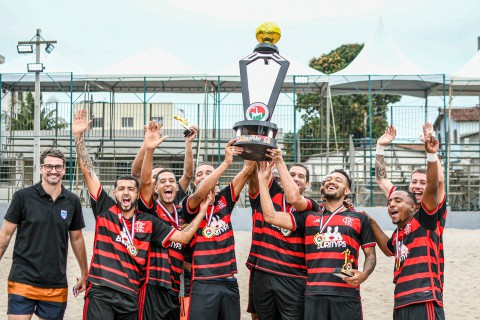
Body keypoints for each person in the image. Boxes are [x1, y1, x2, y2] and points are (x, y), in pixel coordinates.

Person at [73, 110, 209, 319]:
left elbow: (182, 236)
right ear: (115, 192)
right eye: (121, 188)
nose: (126, 192)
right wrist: (79, 137)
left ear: (138, 194)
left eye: (130, 189)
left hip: (130, 295)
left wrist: (201, 212)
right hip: (101, 290)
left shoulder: (148, 221)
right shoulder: (105, 209)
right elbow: (88, 173)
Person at [258, 161, 376, 320]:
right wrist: (262, 180)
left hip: (346, 294)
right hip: (314, 294)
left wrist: (364, 274)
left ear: (347, 190)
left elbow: (371, 255)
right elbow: (270, 216)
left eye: (338, 180)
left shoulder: (359, 218)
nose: (331, 181)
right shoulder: (309, 216)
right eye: (328, 180)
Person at [0, 147, 88, 320]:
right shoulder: (22, 197)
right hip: (22, 280)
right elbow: (5, 235)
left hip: (55, 284)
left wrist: (85, 273)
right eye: (48, 166)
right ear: (40, 169)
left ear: (64, 170)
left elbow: (77, 239)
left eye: (58, 167)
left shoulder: (72, 201)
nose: (53, 171)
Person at [370, 125, 445, 319]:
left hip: (424, 296)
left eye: (423, 182)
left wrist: (431, 154)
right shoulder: (403, 210)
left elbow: (437, 183)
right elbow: (381, 179)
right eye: (414, 182)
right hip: (401, 299)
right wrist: (380, 146)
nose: (418, 186)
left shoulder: (428, 214)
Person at [182, 140, 254, 320]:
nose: (205, 176)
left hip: (229, 281)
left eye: (209, 172)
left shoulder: (224, 200)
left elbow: (247, 171)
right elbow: (200, 194)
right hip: (203, 281)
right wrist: (226, 162)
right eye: (200, 174)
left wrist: (252, 143)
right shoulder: (190, 204)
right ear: (195, 181)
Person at [247, 148, 319, 320]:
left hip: (293, 276)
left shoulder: (312, 206)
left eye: (301, 176)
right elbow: (256, 171)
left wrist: (279, 161)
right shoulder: (270, 196)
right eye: (292, 174)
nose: (295, 178)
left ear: (307, 184)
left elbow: (294, 197)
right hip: (263, 271)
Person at [136, 120, 191, 320]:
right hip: (152, 282)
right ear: (156, 189)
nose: (168, 184)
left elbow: (188, 175)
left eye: (171, 181)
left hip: (175, 283)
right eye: (162, 182)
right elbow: (145, 181)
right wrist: (149, 149)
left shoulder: (182, 212)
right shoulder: (150, 210)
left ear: (176, 189)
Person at [131, 122, 198, 205]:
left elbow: (188, 175)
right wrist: (146, 145)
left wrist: (188, 143)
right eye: (155, 177)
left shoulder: (173, 196)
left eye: (169, 179)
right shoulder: (144, 198)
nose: (160, 181)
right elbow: (136, 172)